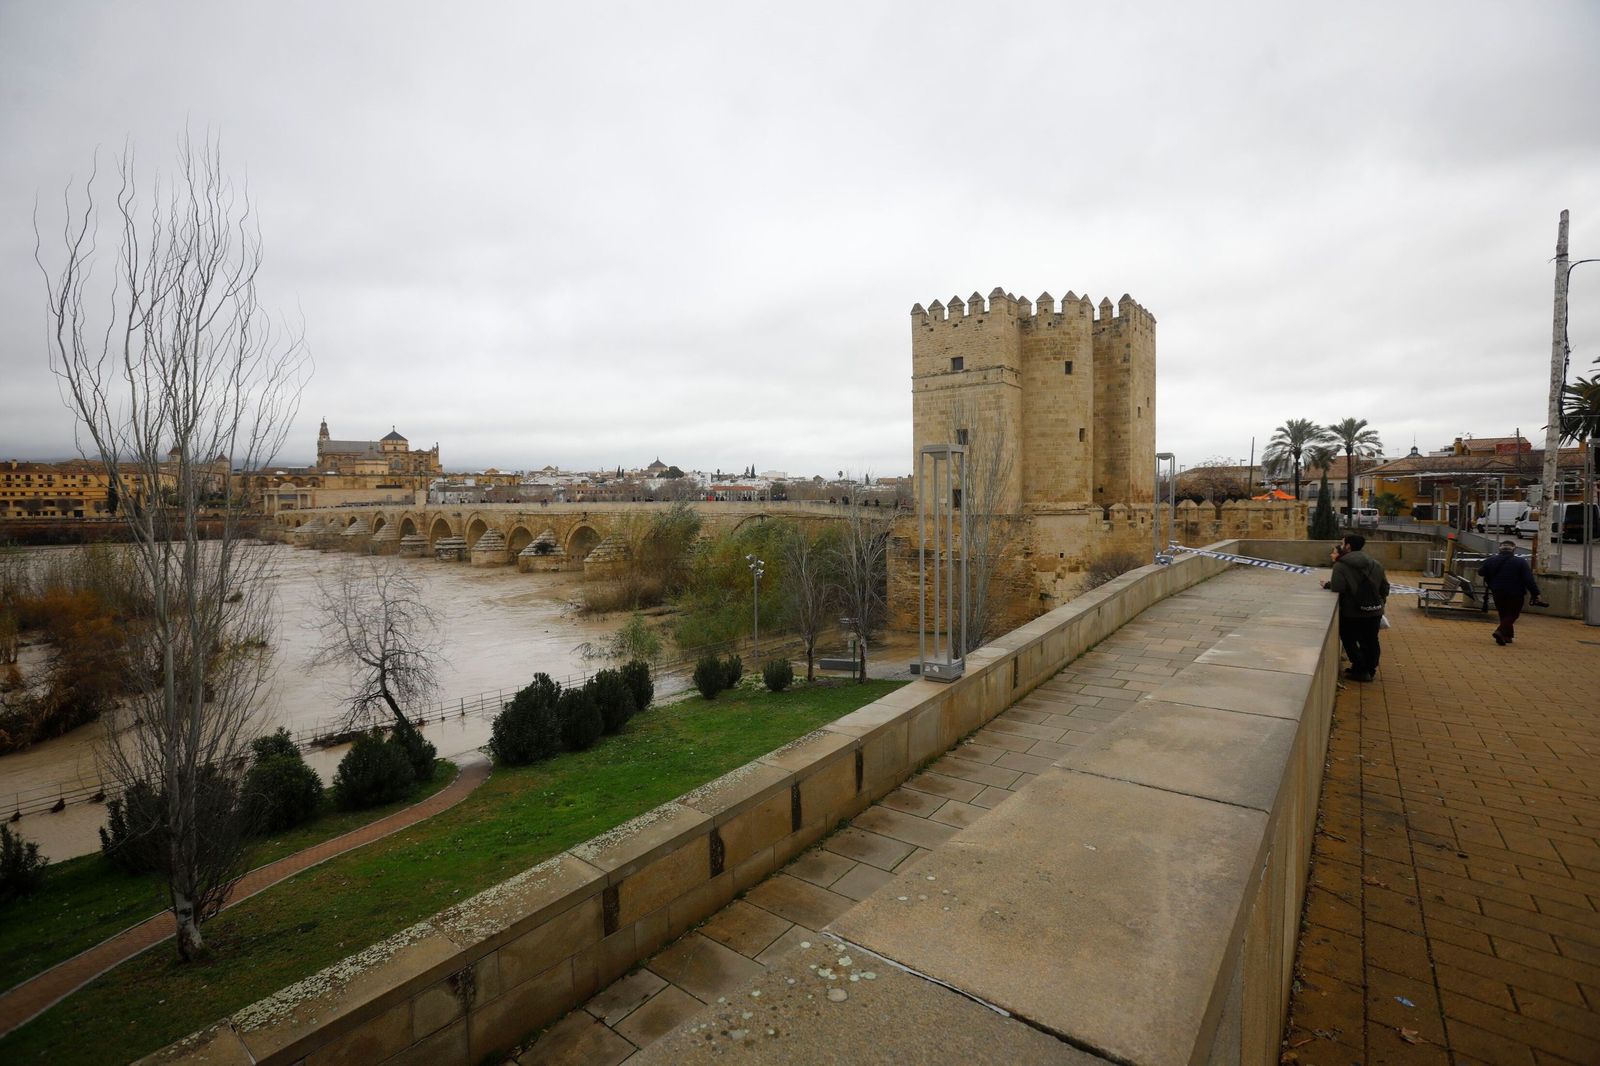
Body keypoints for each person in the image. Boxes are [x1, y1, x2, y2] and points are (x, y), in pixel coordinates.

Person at [1322, 533, 1389, 682]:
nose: (1340, 545)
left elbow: (1339, 587)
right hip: (1374, 611)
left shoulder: (1341, 565)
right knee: (1371, 640)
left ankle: (1360, 668)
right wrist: (1379, 603)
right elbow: (1385, 587)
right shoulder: (1375, 563)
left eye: (1342, 543)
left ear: (1348, 546)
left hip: (1352, 612)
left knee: (1349, 640)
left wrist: (1328, 585)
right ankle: (1370, 669)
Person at [1478, 541, 1544, 646]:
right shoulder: (1520, 562)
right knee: (1513, 614)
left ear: (1500, 549)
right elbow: (1528, 579)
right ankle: (1500, 631)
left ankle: (1507, 636)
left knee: (1503, 613)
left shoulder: (1490, 560)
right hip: (1516, 592)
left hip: (1497, 591)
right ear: (1514, 550)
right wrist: (1535, 593)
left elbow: (1481, 572)